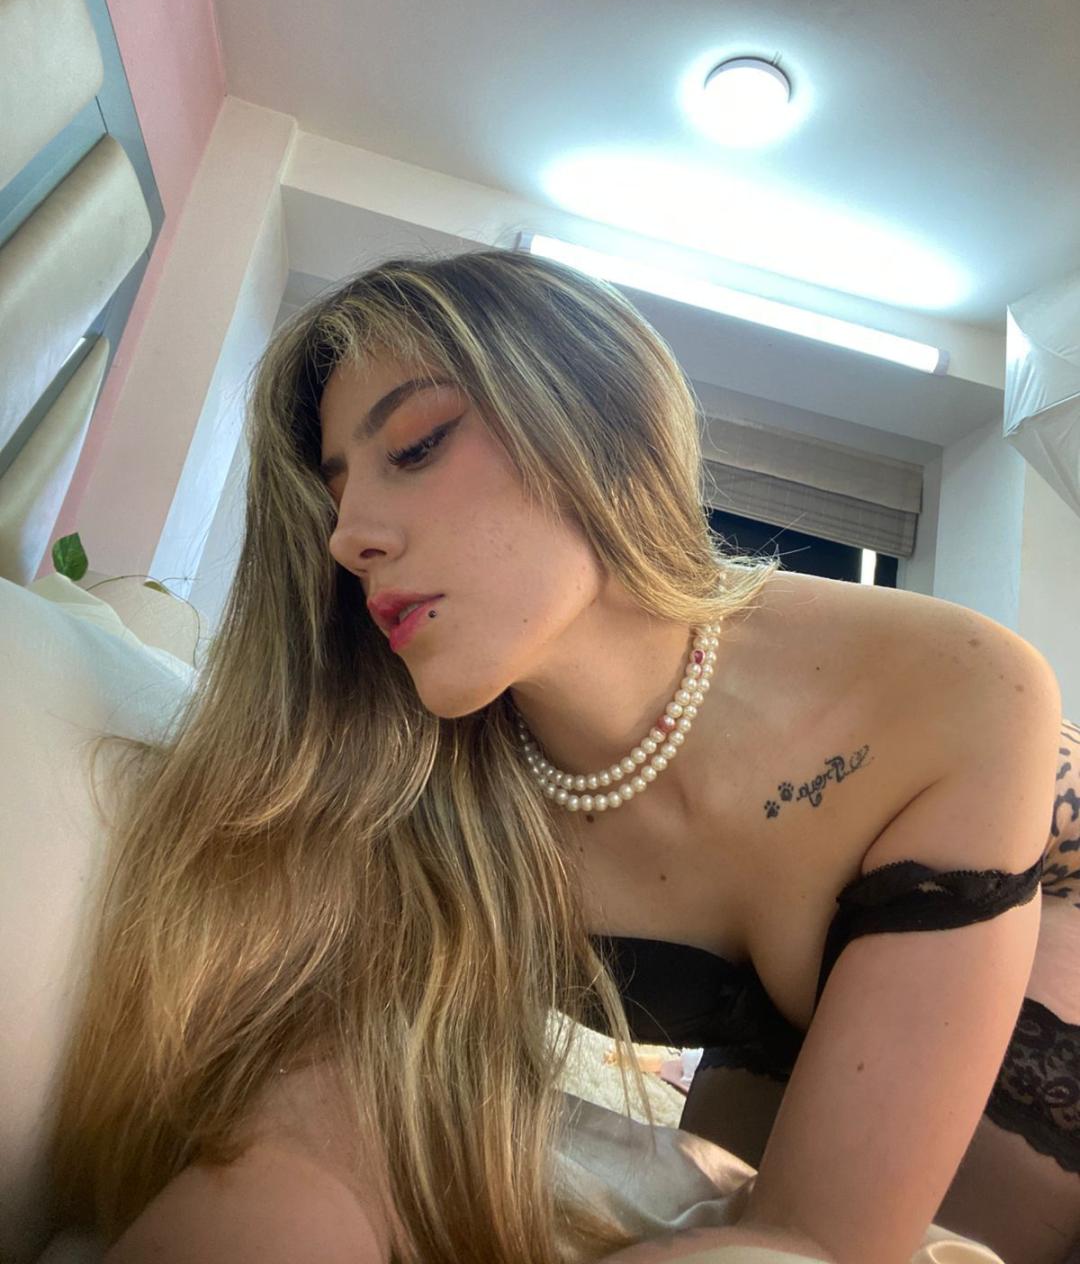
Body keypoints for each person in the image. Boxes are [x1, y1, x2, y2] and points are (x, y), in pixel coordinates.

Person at [48, 249, 1079, 1264]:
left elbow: (827, 1242)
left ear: (599, 418)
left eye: (416, 445)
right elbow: (321, 1133)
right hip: (774, 1021)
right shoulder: (417, 775)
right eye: (335, 494)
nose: (348, 536)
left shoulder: (957, 687)